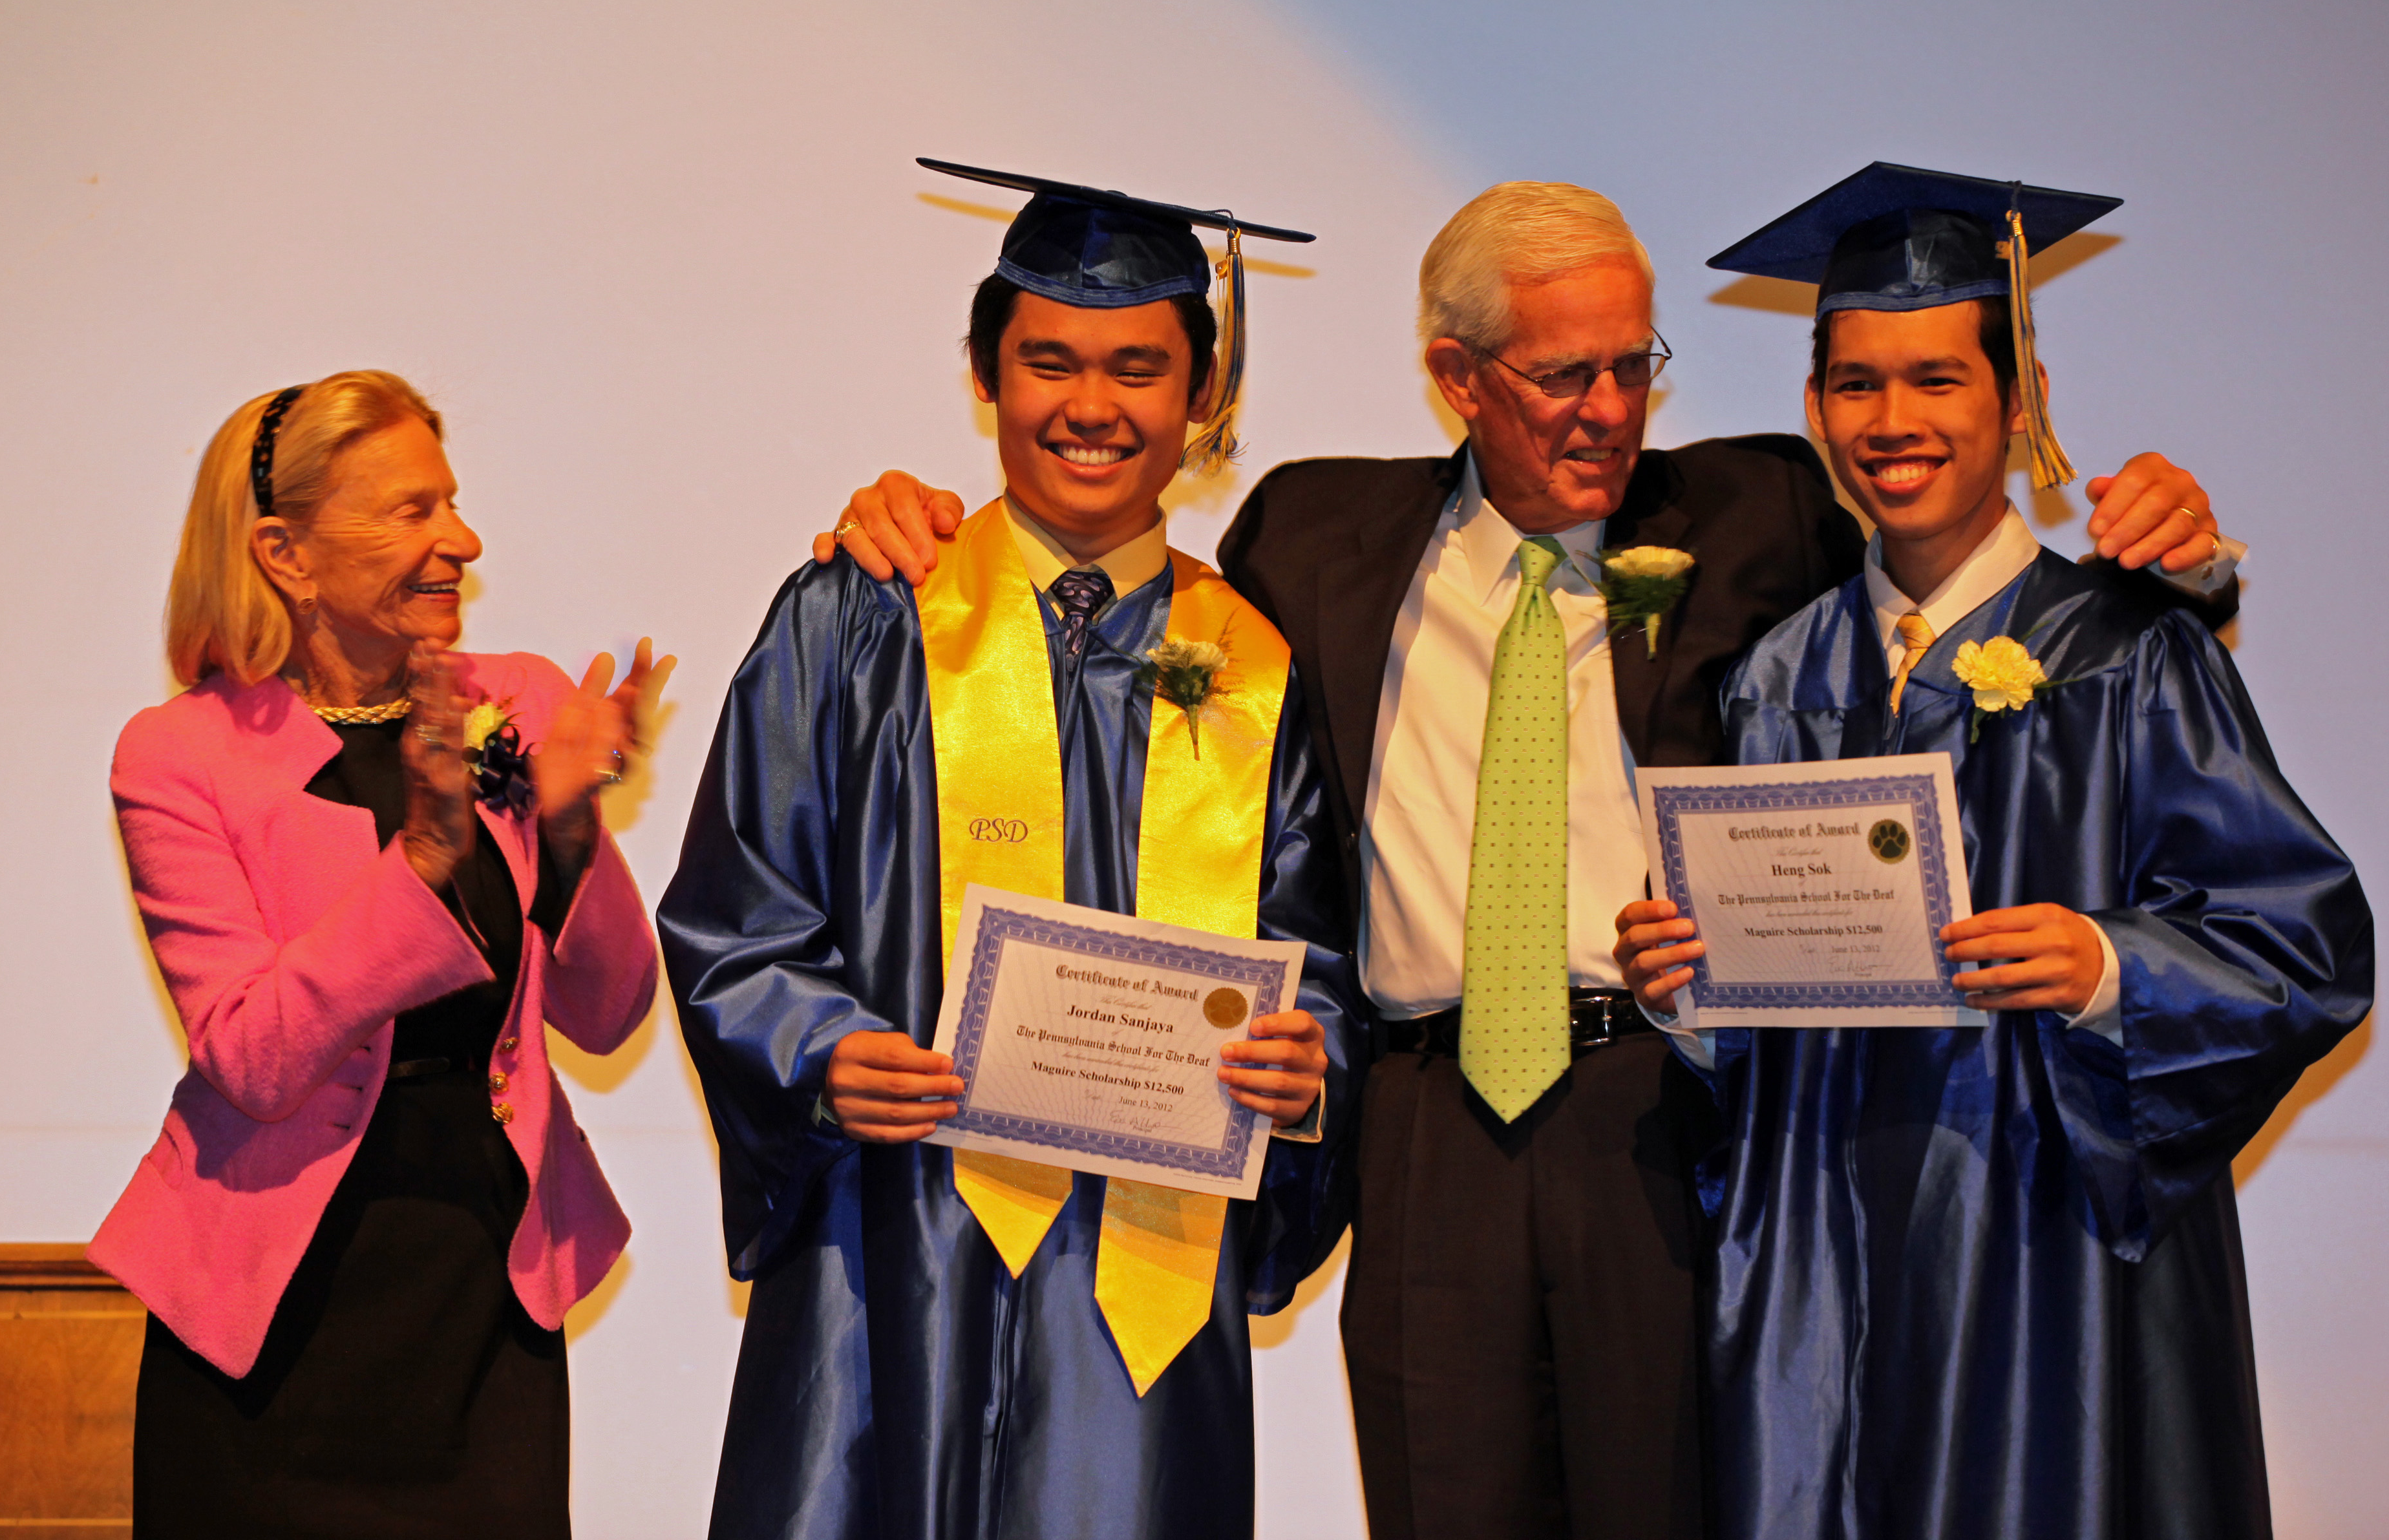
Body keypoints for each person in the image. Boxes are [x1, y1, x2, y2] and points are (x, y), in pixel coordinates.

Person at [818, 180, 2236, 1540]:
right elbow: (1113, 610)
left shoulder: (1757, 516)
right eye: (1566, 375)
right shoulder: (1313, 540)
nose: (1612, 410)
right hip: (1429, 1126)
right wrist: (906, 523)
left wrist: (2182, 564)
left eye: (1636, 365)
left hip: (1659, 1125)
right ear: (1457, 374)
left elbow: (1939, 558)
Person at [1617, 163, 2373, 1540]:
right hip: (1816, 1265)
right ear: (1812, 408)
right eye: (1854, 384)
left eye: (1935, 380)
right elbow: (1773, 1022)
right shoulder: (1782, 675)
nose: (1891, 422)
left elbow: (2306, 946)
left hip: (2043, 1260)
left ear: (2018, 400)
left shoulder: (2129, 652)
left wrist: (2103, 964)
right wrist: (1689, 994)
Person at [658, 162, 1363, 1540]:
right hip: (892, 1251)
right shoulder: (858, 621)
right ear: (985, 373)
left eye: (1138, 368)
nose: (1091, 405)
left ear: (1201, 396)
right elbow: (738, 910)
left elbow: (1312, 955)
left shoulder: (1257, 667)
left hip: (1141, 1292)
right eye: (1049, 360)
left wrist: (1306, 1064)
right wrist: (817, 1051)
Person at [89, 370, 670, 1537]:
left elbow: (609, 1014)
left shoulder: (516, 704)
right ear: (284, 553)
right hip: (277, 1320)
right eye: (411, 511)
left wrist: (564, 826)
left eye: (449, 503)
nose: (462, 539)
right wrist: (424, 860)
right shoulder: (179, 755)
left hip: (482, 1294)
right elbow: (251, 1060)